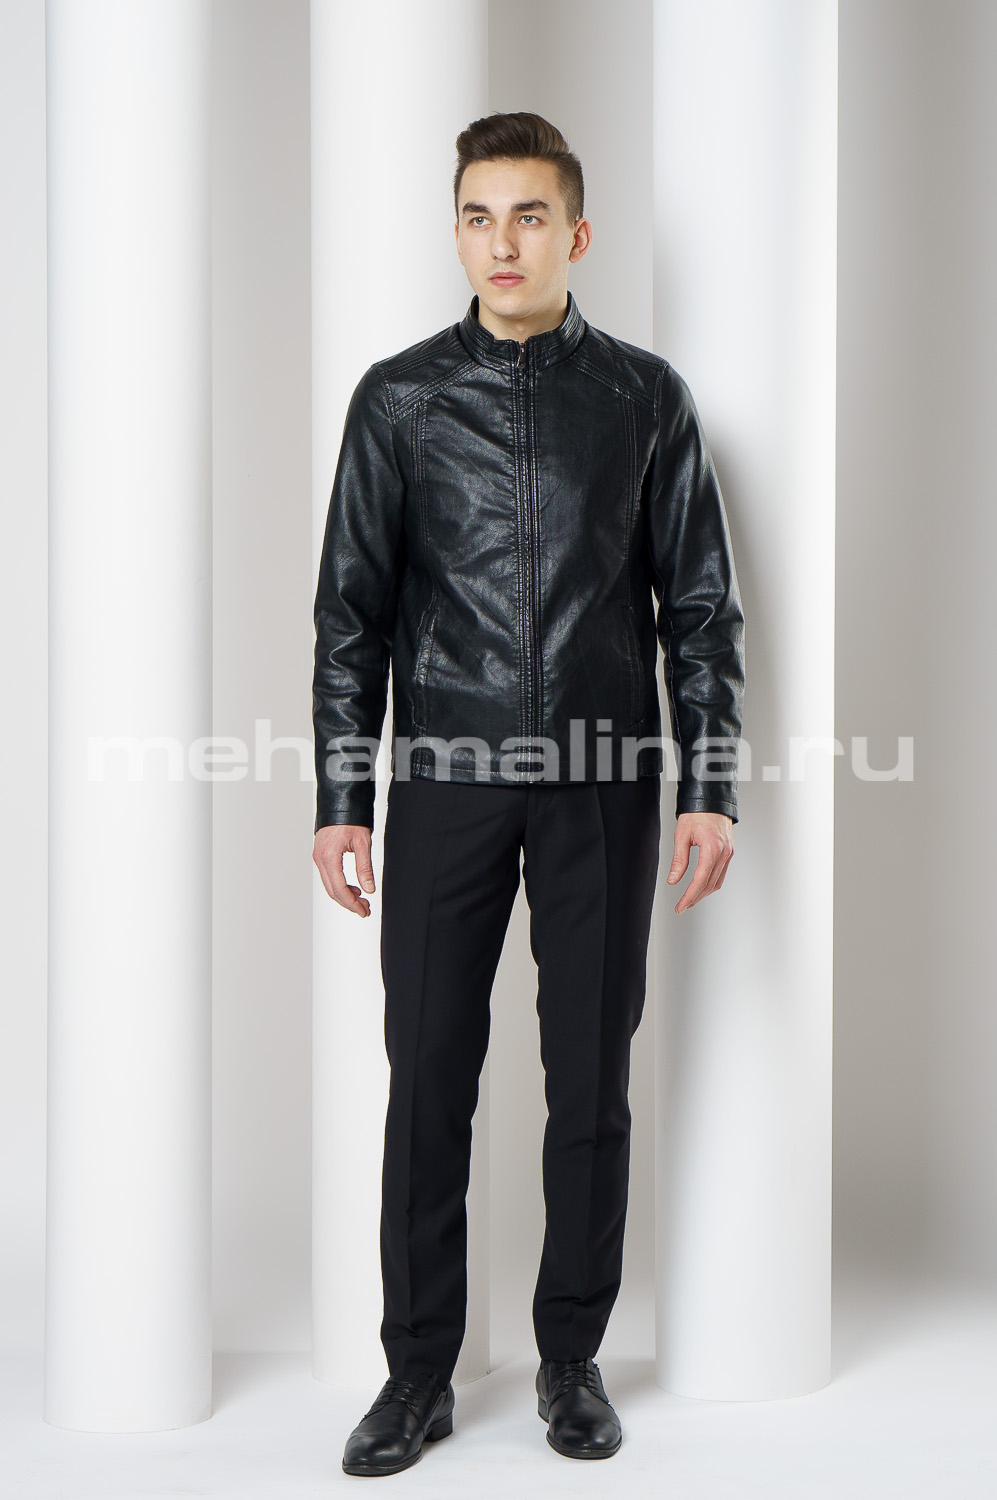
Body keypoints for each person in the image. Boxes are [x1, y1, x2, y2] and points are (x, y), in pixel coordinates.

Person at [312, 111, 745, 1477]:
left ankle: (571, 1361)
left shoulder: (643, 398)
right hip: (444, 782)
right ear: (456, 233)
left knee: (590, 1086)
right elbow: (349, 616)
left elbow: (700, 610)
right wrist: (343, 798)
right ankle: (416, 1374)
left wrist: (709, 784)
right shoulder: (396, 401)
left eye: (530, 216)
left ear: (576, 233)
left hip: (602, 787)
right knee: (427, 1077)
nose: (503, 241)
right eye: (479, 216)